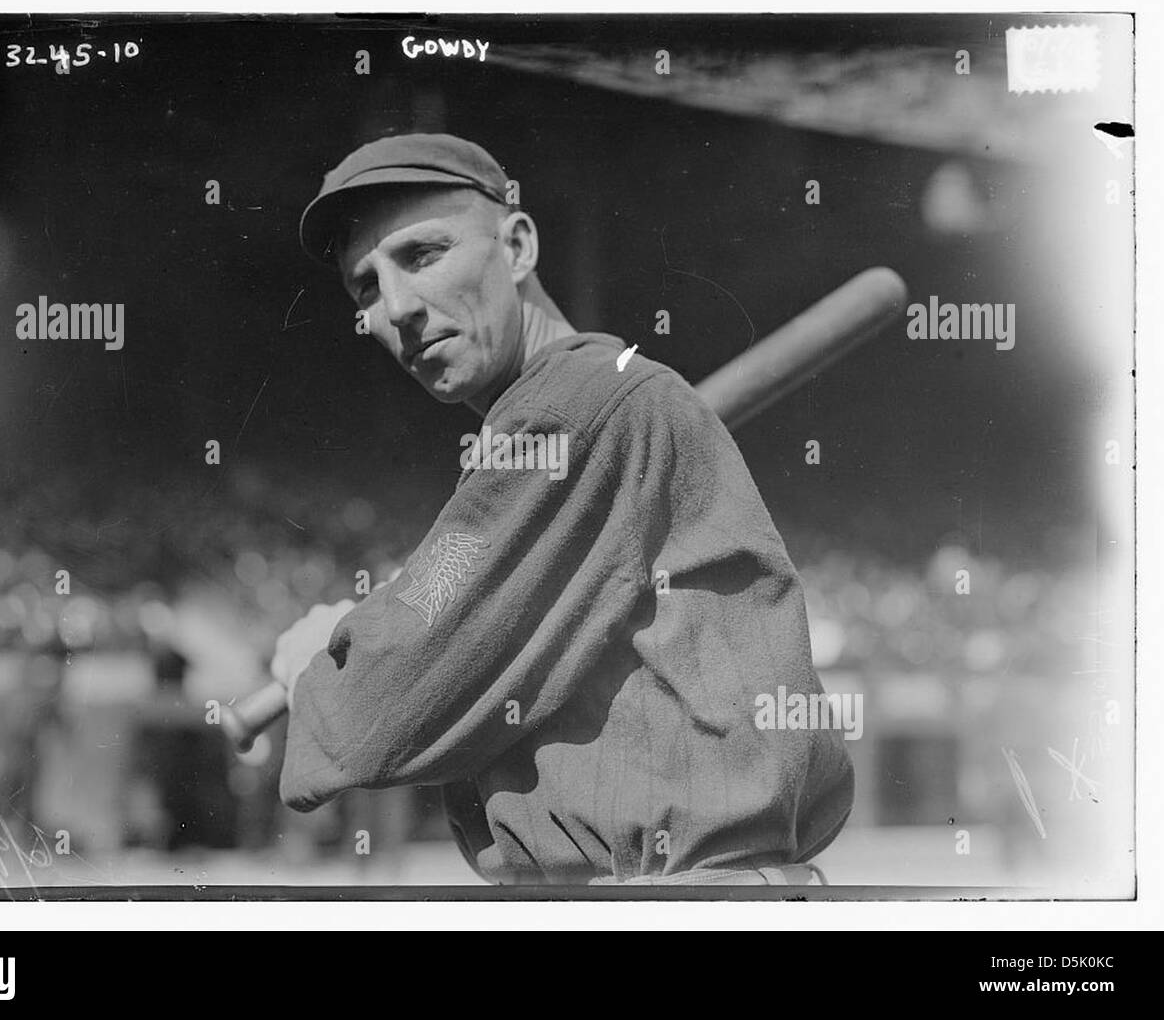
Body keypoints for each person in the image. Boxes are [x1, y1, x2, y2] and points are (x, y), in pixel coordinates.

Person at [271, 133, 853, 885]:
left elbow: (373, 717)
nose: (399, 308)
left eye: (422, 255)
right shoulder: (585, 408)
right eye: (366, 288)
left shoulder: (572, 406)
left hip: (674, 902)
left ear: (516, 247)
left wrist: (309, 669)